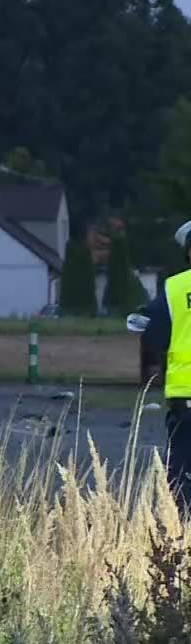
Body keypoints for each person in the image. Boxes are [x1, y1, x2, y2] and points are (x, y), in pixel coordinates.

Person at [139, 219, 191, 511]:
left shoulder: (176, 288)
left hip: (187, 404)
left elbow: (153, 336)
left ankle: (183, 545)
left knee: (184, 481)